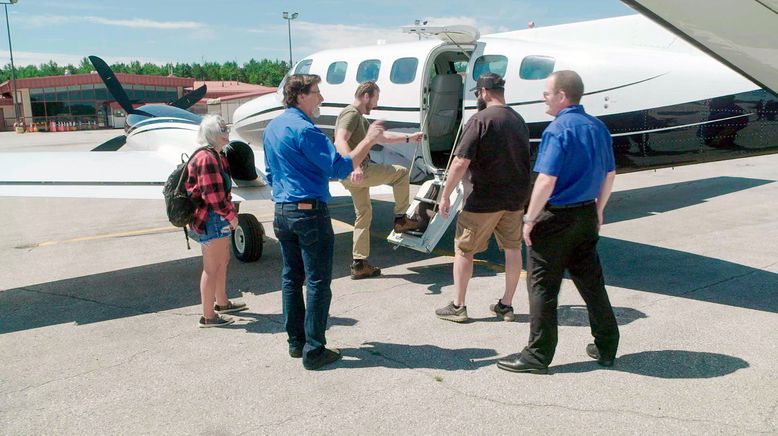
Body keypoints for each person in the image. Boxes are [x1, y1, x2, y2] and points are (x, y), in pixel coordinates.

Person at [497, 70, 619, 374]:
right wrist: (599, 210)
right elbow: (610, 174)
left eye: (547, 93)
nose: (544, 98)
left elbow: (546, 180)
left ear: (562, 96)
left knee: (542, 287)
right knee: (592, 284)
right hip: (586, 214)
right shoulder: (598, 126)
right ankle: (607, 345)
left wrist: (529, 218)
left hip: (555, 218)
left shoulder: (558, 129)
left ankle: (537, 356)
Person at [263, 74, 383, 370]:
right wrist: (368, 139)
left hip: (282, 210)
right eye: (316, 92)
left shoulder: (273, 127)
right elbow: (340, 167)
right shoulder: (307, 131)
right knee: (317, 281)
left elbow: (269, 172)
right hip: (308, 213)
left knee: (291, 278)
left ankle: (296, 342)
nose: (321, 98)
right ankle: (315, 350)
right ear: (301, 95)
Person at [434, 73, 531, 323]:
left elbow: (460, 161)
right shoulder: (518, 120)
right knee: (512, 249)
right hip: (514, 199)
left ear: (485, 91)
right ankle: (506, 305)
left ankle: (458, 306)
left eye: (478, 93)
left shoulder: (479, 120)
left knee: (464, 250)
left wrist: (445, 195)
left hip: (483, 200)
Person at [334, 81, 424, 279]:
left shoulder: (358, 118)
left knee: (363, 214)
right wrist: (355, 166)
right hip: (358, 171)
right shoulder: (351, 114)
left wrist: (410, 138)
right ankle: (401, 219)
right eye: (375, 99)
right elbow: (339, 140)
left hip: (350, 175)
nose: (375, 104)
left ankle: (359, 264)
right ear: (366, 96)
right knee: (401, 173)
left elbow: (381, 138)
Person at [185, 114, 248, 328]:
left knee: (222, 262)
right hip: (212, 218)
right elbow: (212, 196)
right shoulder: (207, 158)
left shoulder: (217, 155)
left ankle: (222, 303)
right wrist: (231, 216)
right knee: (211, 268)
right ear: (213, 134)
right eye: (223, 130)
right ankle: (208, 316)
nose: (227, 133)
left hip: (217, 217)